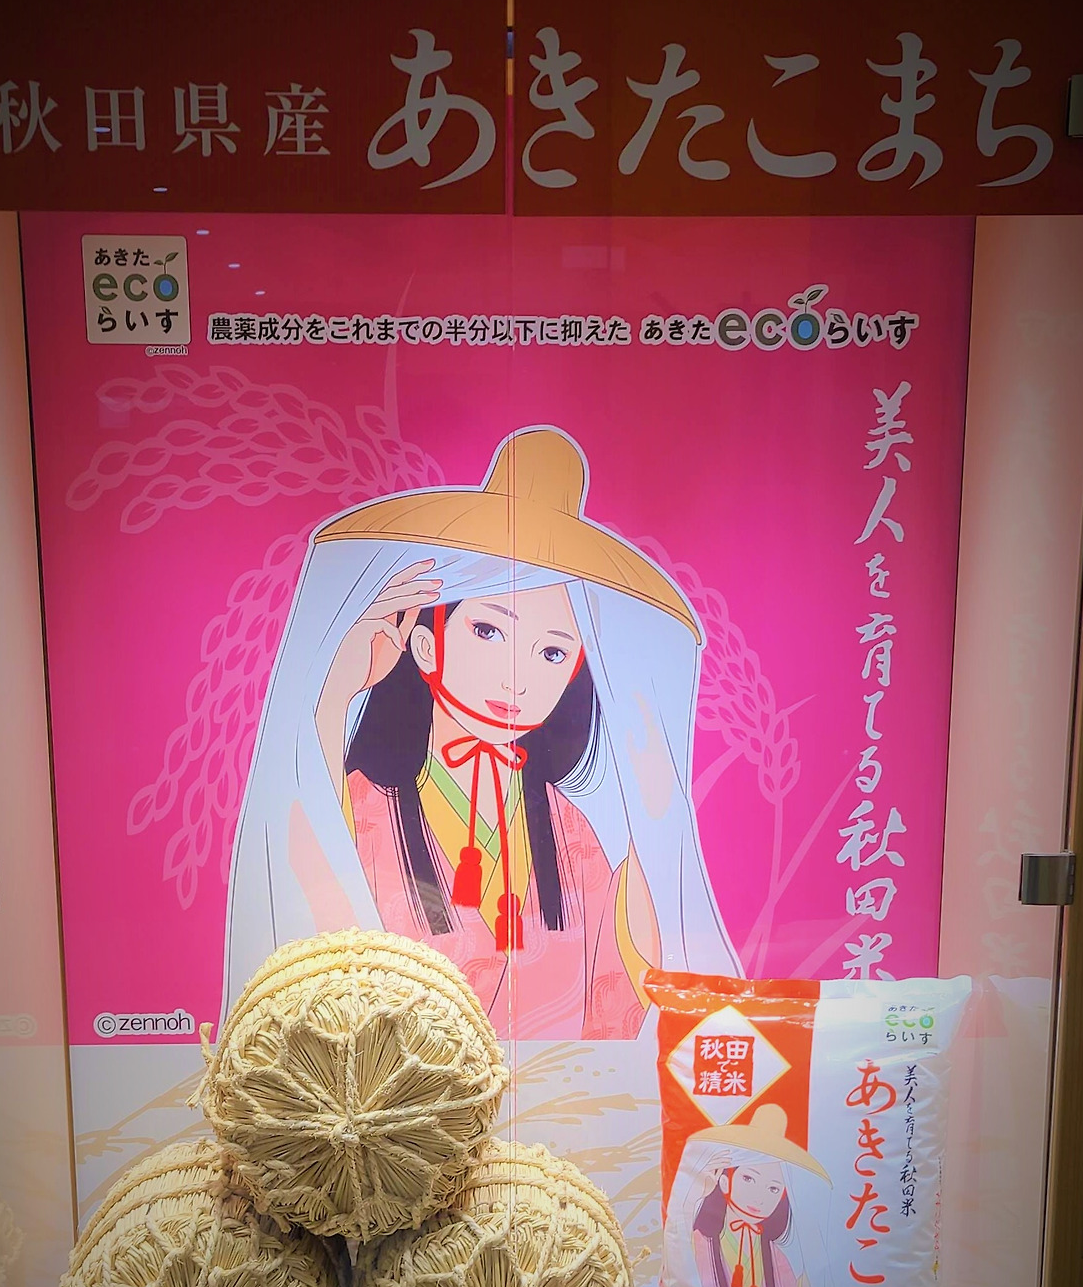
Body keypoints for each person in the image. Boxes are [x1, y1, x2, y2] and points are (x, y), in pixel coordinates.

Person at [222, 427, 740, 1038]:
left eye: (553, 652)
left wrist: (656, 800)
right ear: (424, 644)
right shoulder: (356, 808)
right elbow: (301, 952)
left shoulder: (573, 836)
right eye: (489, 632)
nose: (517, 678)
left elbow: (625, 1001)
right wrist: (335, 697)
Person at [664, 1106, 825, 1287]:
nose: (759, 1197)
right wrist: (692, 1197)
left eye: (773, 1189)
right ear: (725, 1181)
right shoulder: (696, 1245)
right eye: (749, 1179)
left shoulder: (780, 1263)